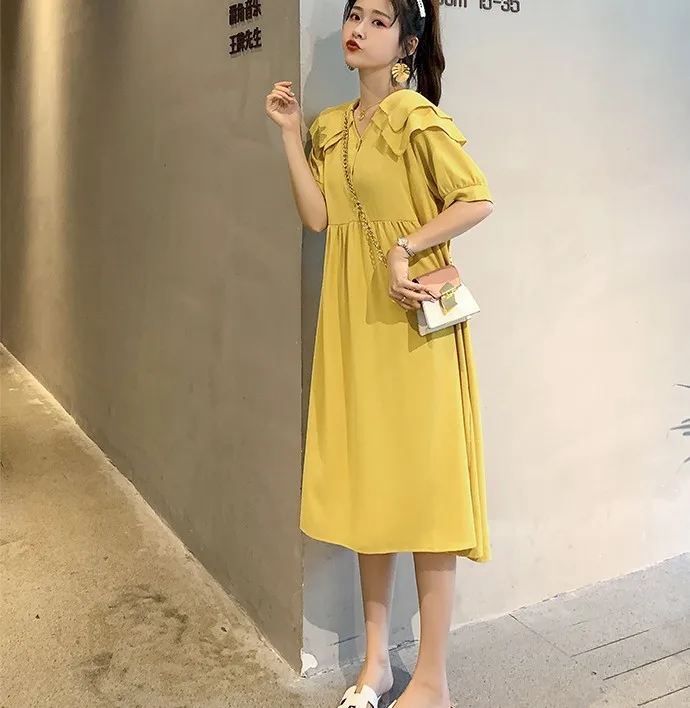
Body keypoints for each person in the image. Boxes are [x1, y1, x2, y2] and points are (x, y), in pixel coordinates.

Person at [266, 1, 493, 706]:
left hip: (411, 328)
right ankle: (377, 665)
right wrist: (290, 134)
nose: (357, 29)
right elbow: (317, 217)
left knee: (425, 496)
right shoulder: (331, 128)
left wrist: (405, 244)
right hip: (353, 323)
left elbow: (476, 199)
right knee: (372, 488)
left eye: (377, 20)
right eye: (352, 15)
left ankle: (433, 678)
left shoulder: (416, 118)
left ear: (407, 42)